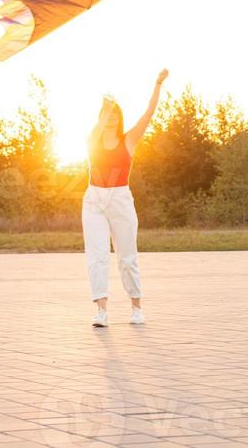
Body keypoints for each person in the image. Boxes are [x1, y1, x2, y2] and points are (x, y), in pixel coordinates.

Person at [82, 69, 169, 327]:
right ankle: (101, 311)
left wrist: (157, 83)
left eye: (114, 116)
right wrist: (106, 108)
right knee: (96, 256)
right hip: (94, 201)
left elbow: (149, 113)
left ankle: (136, 307)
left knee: (126, 257)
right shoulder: (91, 140)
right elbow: (95, 130)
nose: (110, 120)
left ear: (120, 119)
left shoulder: (129, 140)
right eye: (106, 116)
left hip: (120, 200)